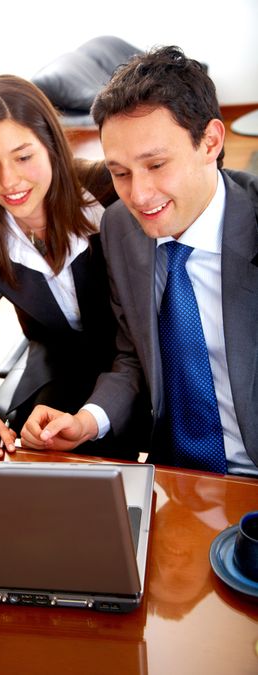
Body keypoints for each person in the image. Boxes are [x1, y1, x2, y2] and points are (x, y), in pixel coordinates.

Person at [21, 46, 258, 476]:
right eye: (120, 172)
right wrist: (85, 422)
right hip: (172, 477)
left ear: (210, 142)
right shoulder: (120, 229)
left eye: (156, 164)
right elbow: (133, 357)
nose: (139, 196)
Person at [0, 74, 132, 460]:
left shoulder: (108, 188)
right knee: (36, 455)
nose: (9, 182)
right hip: (61, 360)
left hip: (139, 360)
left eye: (23, 157)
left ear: (52, 146)